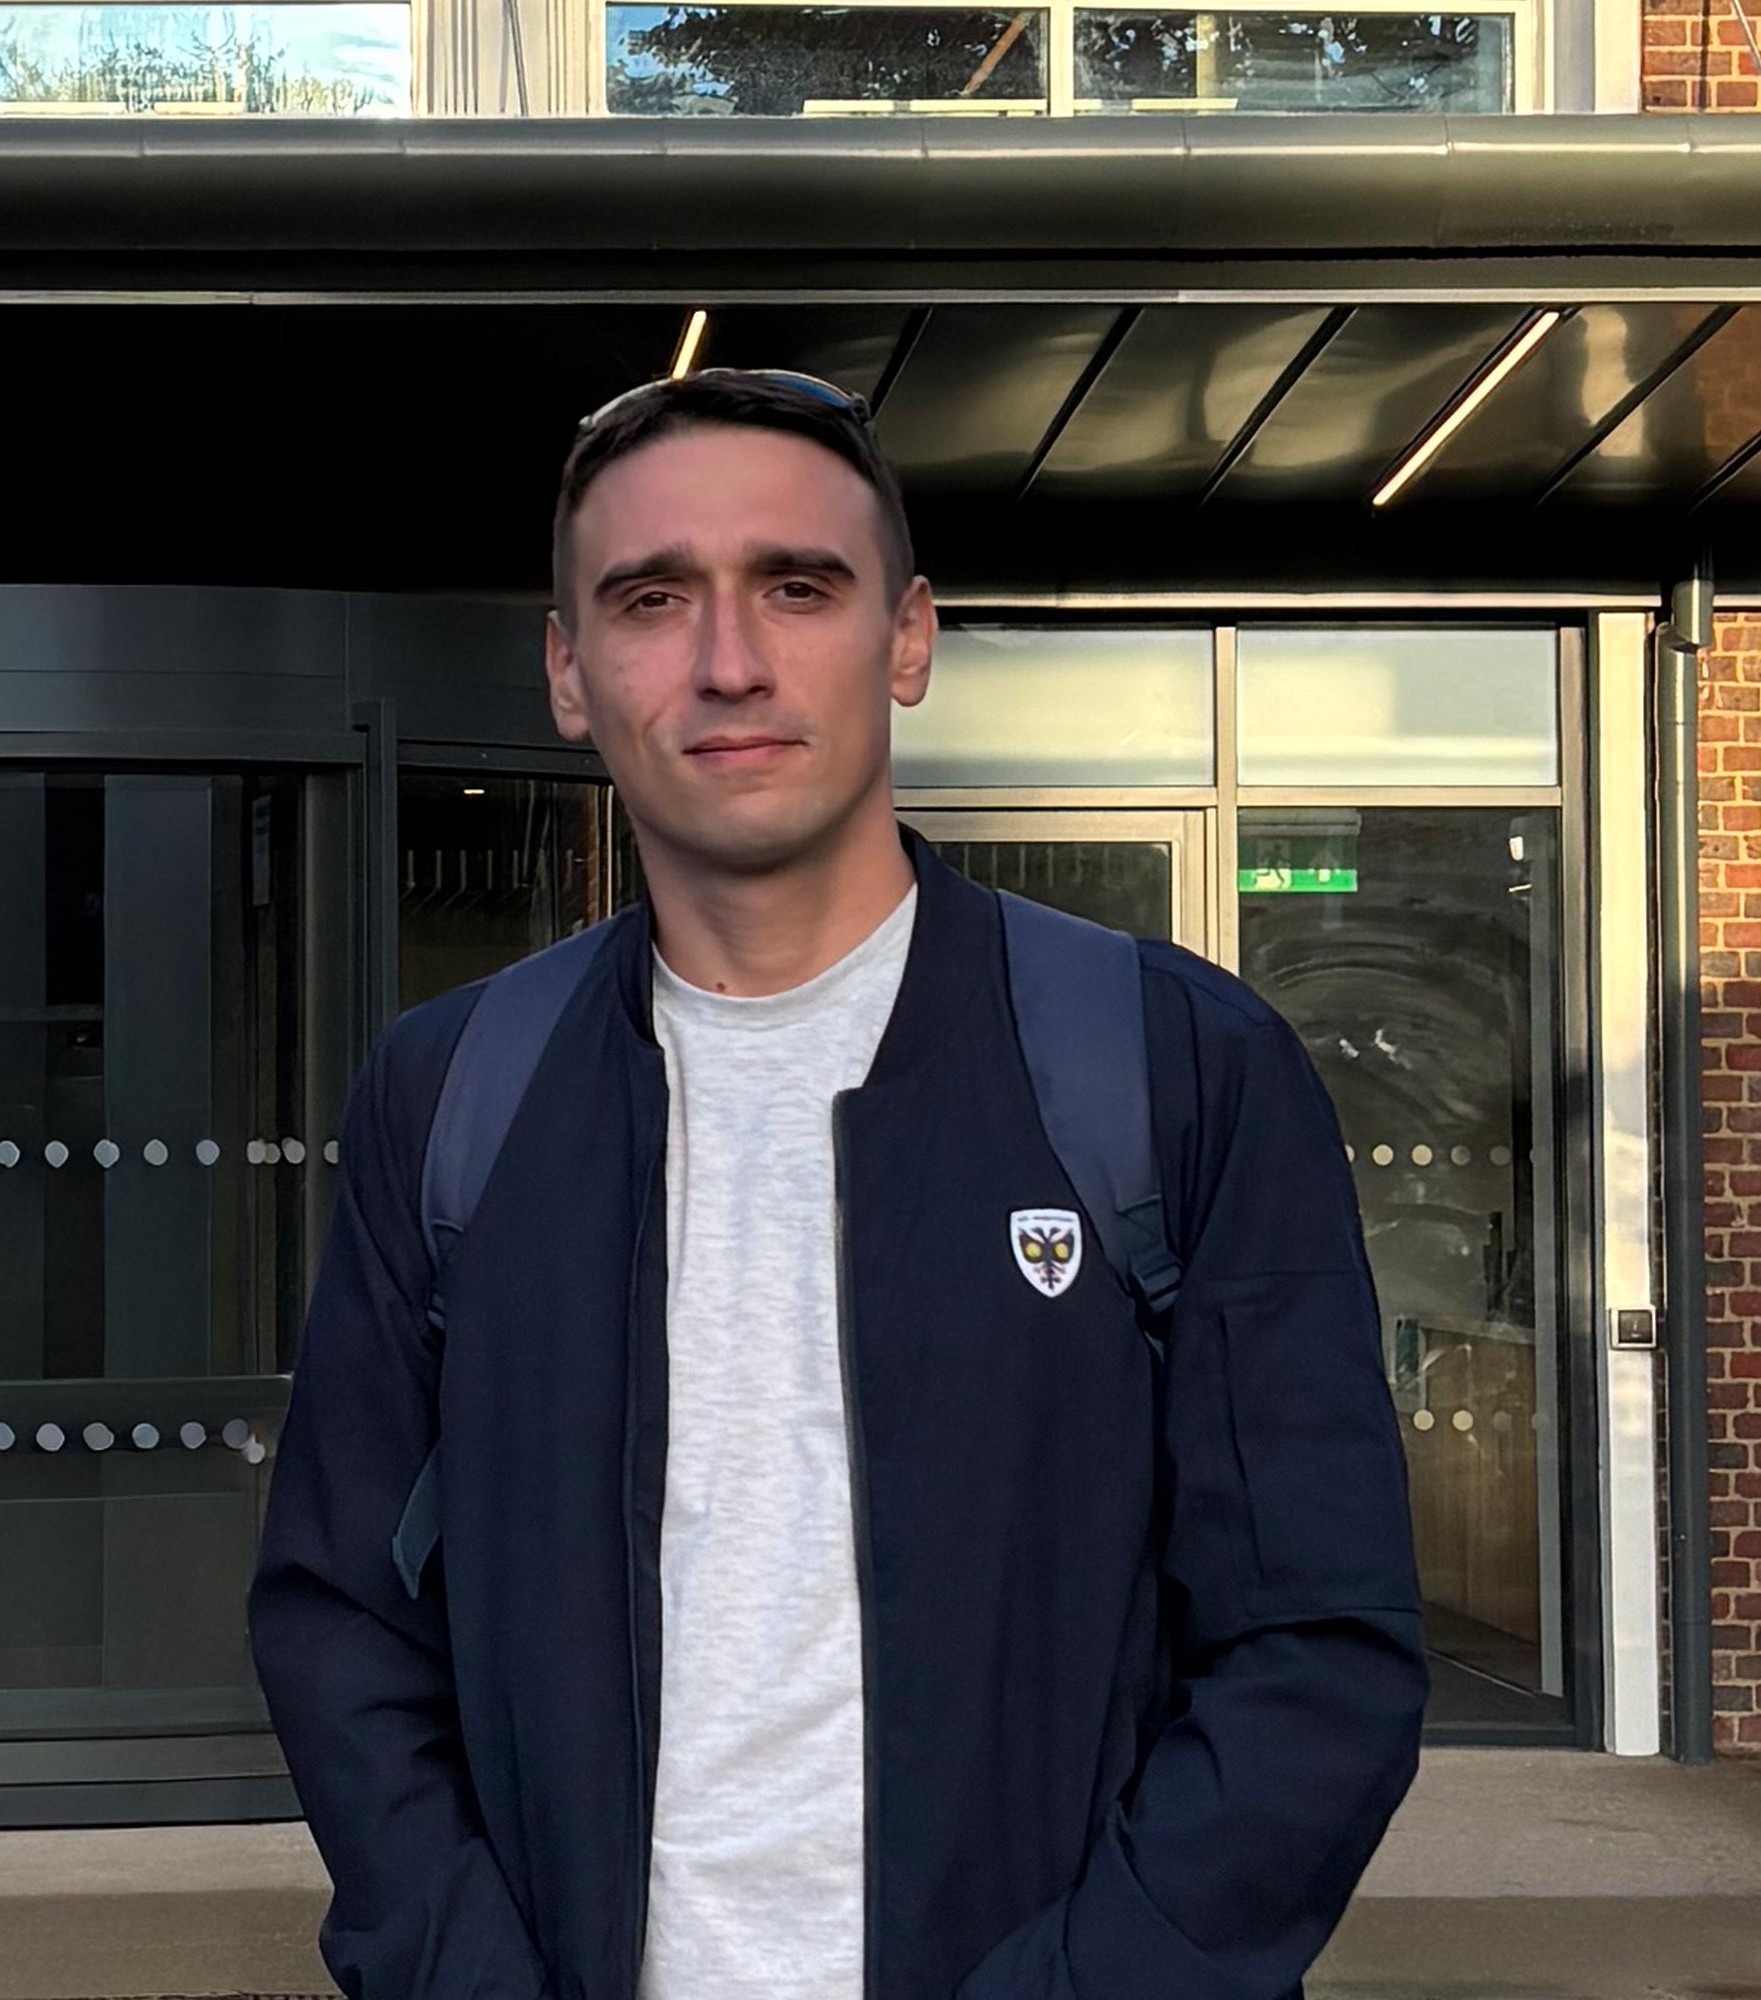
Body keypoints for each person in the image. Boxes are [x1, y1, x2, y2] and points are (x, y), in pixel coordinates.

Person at [247, 368, 1427, 2000]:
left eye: (797, 587)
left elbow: (1318, 1647)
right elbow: (339, 1616)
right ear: (569, 673)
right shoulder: (453, 1098)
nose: (731, 661)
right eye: (652, 599)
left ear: (908, 638)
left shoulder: (1173, 1069)